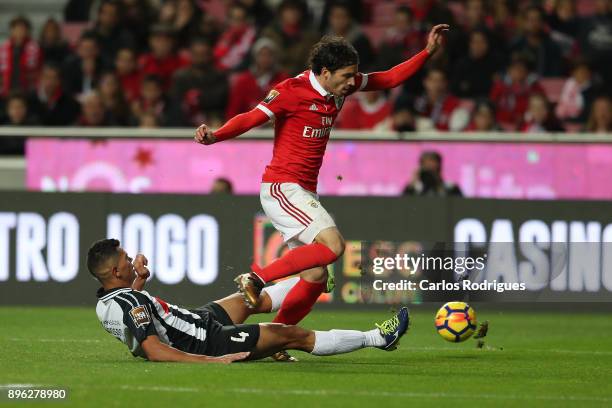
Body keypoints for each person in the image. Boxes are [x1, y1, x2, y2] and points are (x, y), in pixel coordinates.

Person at [193, 26, 448, 358]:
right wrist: (216, 135)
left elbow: (387, 79)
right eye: (345, 76)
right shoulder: (290, 91)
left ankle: (277, 341)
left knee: (315, 276)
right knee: (334, 245)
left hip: (304, 190)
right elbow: (251, 118)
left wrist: (426, 52)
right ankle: (256, 277)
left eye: (353, 76)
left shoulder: (343, 83)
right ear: (324, 72)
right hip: (282, 187)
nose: (351, 82)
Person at [89, 239, 410, 363]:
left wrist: (139, 281)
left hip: (196, 320)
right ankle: (378, 338)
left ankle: (312, 280)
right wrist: (210, 361)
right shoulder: (130, 302)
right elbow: (151, 348)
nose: (132, 260)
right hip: (205, 342)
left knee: (252, 298)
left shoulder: (107, 302)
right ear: (116, 270)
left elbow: (134, 311)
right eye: (127, 259)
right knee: (291, 334)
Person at [225, 38, 289, 119]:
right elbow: (233, 109)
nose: (265, 59)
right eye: (262, 55)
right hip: (249, 127)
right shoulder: (243, 80)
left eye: (269, 55)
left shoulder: (282, 79)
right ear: (255, 56)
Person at [0, 16, 41, 98]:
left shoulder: (35, 48)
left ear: (27, 31)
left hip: (27, 90)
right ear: (11, 30)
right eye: (17, 28)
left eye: (22, 29)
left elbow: (38, 69)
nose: (19, 31)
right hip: (7, 89)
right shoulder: (3, 48)